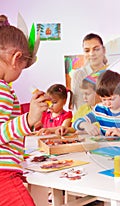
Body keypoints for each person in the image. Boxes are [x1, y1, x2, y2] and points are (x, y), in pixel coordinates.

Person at [0, 25, 49, 205]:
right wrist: (28, 119)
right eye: (22, 68)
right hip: (3, 177)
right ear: (16, 58)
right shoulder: (3, 88)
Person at [73, 70, 120, 138]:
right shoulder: (100, 109)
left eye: (111, 99)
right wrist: (85, 125)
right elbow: (76, 123)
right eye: (103, 99)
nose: (107, 103)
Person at [70, 33, 108, 112]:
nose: (91, 54)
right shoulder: (78, 74)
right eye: (87, 50)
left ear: (103, 50)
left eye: (96, 49)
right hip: (86, 121)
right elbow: (79, 106)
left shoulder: (111, 73)